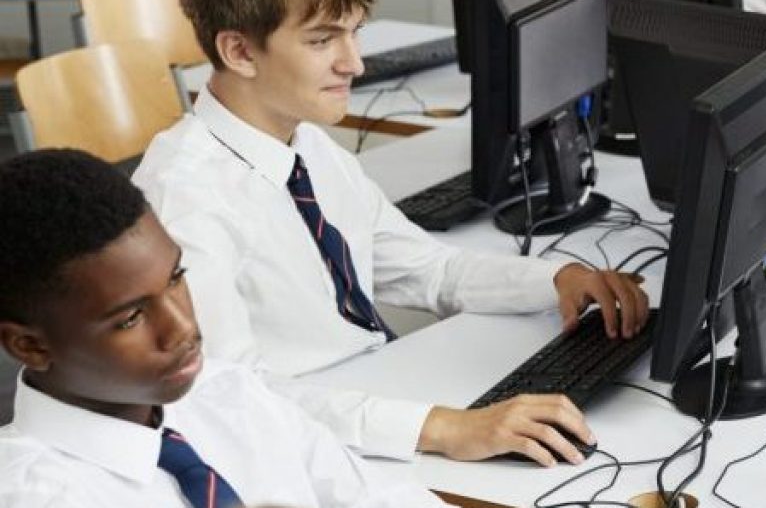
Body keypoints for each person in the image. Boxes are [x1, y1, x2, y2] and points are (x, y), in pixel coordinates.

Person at [131, 0, 645, 466]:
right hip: (301, 449)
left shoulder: (304, 143)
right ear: (239, 52)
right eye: (322, 39)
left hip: (372, 398)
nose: (353, 62)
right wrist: (442, 428)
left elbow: (427, 269)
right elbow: (228, 396)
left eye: (355, 32)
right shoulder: (183, 197)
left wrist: (559, 280)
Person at [0, 149, 449, 507]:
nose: (182, 330)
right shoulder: (35, 495)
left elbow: (380, 496)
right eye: (131, 318)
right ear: (30, 346)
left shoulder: (226, 393)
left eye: (176, 278)